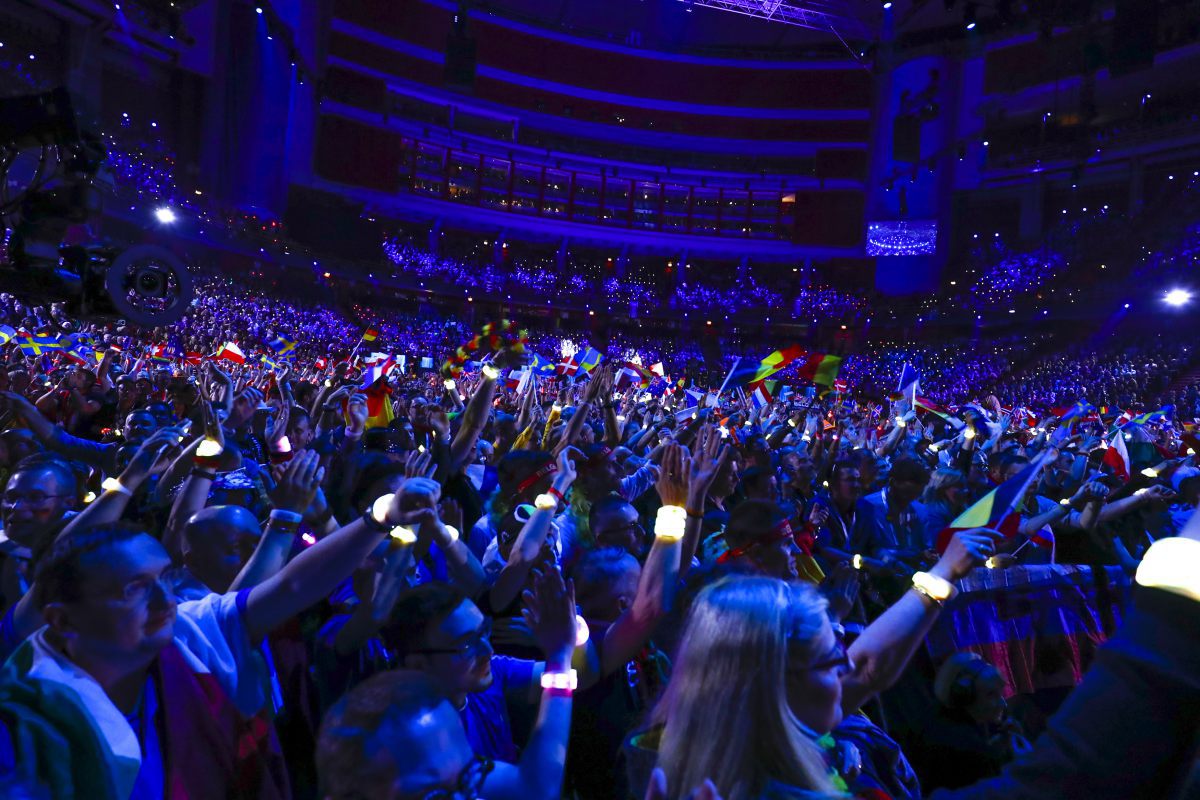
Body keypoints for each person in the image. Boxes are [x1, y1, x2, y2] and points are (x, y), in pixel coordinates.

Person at [628, 519, 1200, 800]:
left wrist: (944, 575)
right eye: (833, 659)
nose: (850, 666)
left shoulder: (724, 744)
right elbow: (1066, 782)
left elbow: (871, 668)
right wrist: (1176, 608)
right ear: (774, 683)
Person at [907, 653, 1031, 791]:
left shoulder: (936, 721)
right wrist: (1013, 756)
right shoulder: (965, 748)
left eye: (1000, 693)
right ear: (964, 696)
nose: (1003, 704)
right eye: (991, 695)